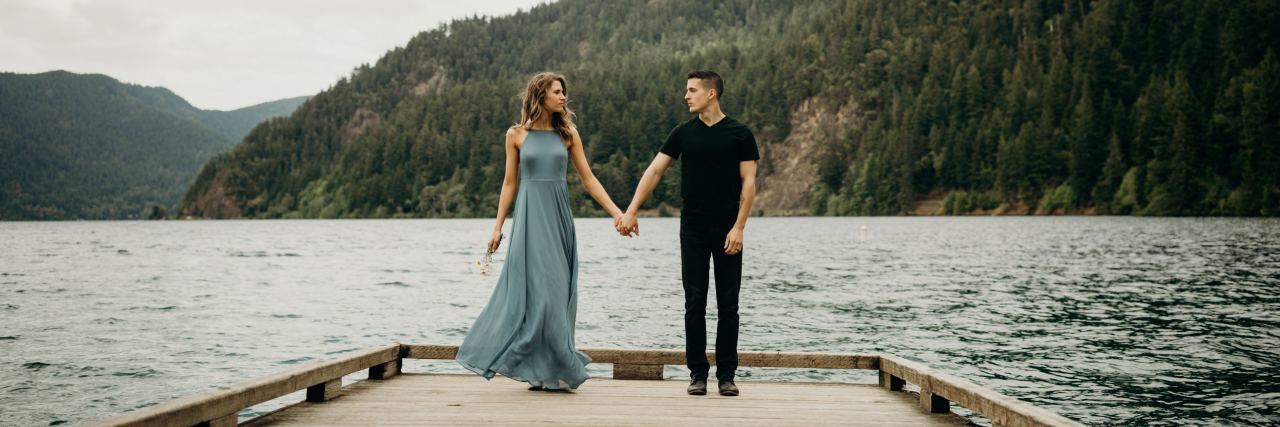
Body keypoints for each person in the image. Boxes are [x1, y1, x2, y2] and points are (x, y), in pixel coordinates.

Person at [456, 72, 625, 392]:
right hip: (530, 221)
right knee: (537, 299)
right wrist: (497, 228)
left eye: (564, 92)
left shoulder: (568, 134)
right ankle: (538, 367)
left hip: (559, 219)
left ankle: (551, 370)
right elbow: (509, 184)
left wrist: (617, 214)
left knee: (557, 296)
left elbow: (588, 180)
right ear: (540, 95)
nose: (564, 97)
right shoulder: (516, 135)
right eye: (557, 92)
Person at [617, 70, 759, 397]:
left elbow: (749, 183)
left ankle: (727, 375)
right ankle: (698, 373)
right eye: (686, 90)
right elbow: (655, 170)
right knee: (694, 302)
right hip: (692, 228)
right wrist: (633, 210)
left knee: (729, 304)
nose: (686, 95)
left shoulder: (740, 134)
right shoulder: (682, 133)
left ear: (711, 94)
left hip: (728, 229)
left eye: (692, 90)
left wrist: (739, 227)